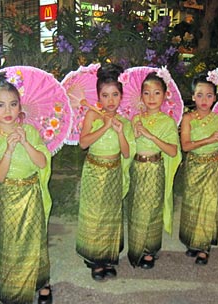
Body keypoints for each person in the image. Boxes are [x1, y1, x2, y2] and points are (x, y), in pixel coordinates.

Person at [0, 71, 53, 304]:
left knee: (36, 240)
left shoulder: (30, 131)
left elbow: (42, 163)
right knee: (10, 243)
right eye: (0, 105)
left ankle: (41, 282)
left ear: (20, 106)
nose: (8, 110)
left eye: (13, 104)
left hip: (31, 193)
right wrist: (9, 150)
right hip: (7, 196)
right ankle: (13, 289)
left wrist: (24, 141)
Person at [76, 63, 133, 281]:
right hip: (94, 170)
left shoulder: (124, 121)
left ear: (121, 96)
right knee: (95, 214)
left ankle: (109, 257)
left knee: (111, 214)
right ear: (99, 97)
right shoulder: (93, 116)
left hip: (113, 172)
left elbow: (126, 152)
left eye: (115, 95)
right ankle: (94, 259)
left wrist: (118, 131)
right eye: (105, 95)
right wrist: (104, 127)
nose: (110, 100)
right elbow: (83, 143)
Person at [126, 69, 181, 269]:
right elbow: (129, 146)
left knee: (153, 209)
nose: (151, 97)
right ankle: (136, 246)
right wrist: (133, 135)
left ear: (165, 95)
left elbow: (173, 151)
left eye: (157, 92)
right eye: (147, 93)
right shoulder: (135, 119)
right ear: (141, 96)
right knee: (136, 208)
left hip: (155, 169)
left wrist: (150, 136)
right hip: (136, 169)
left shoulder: (168, 122)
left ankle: (150, 250)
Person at [179, 69, 218, 265]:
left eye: (209, 95)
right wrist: (209, 139)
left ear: (215, 98)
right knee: (193, 204)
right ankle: (193, 242)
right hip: (194, 166)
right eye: (199, 95)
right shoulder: (188, 119)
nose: (204, 99)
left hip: (212, 167)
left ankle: (204, 247)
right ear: (193, 96)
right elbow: (186, 146)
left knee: (209, 205)